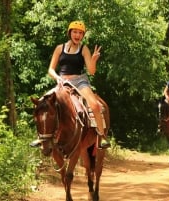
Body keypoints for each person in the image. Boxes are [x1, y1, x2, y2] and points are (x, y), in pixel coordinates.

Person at [31, 21, 110, 149]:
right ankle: (40, 138)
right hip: (62, 82)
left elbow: (91, 71)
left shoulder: (84, 49)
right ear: (70, 33)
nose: (77, 35)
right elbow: (50, 69)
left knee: (95, 105)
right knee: (41, 103)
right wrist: (57, 78)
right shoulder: (59, 48)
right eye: (75, 32)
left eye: (80, 33)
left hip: (79, 81)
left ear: (83, 35)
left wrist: (94, 59)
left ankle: (101, 137)